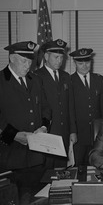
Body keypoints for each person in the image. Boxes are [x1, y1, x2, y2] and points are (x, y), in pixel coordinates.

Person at [0, 41, 52, 191]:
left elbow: (46, 109)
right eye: (24, 61)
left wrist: (44, 128)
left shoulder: (36, 81)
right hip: (8, 157)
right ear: (12, 58)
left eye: (30, 61)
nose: (28, 66)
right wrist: (13, 135)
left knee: (34, 203)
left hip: (34, 157)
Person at [35, 39, 77, 169]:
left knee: (61, 171)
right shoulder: (36, 76)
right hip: (48, 132)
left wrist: (73, 131)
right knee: (46, 171)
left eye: (61, 57)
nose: (59, 61)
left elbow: (70, 106)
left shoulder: (66, 76)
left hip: (63, 133)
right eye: (56, 57)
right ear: (46, 56)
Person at [70, 48, 103, 166]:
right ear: (75, 63)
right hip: (79, 133)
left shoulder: (99, 79)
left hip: (97, 133)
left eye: (87, 62)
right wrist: (72, 131)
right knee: (79, 165)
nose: (84, 66)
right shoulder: (69, 81)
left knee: (97, 164)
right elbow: (70, 110)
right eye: (80, 63)